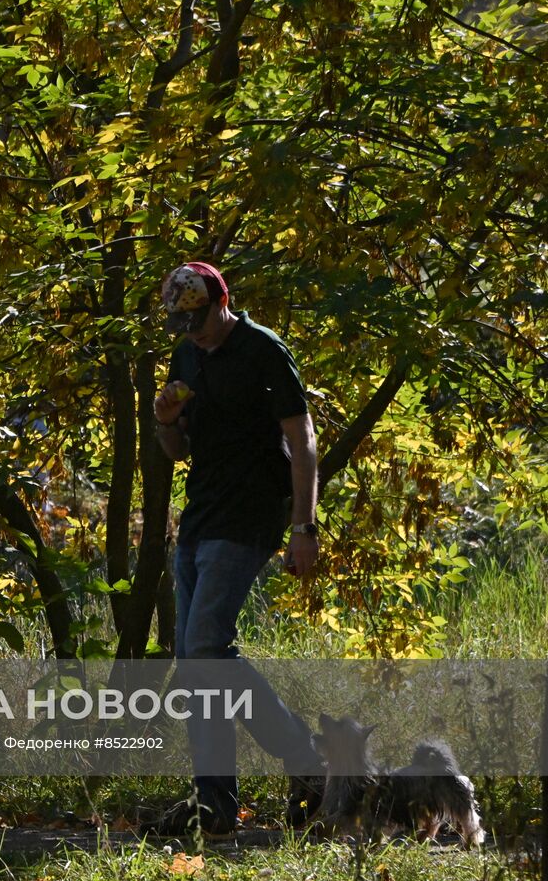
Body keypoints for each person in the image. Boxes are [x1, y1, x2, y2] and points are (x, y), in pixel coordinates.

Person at [147, 262, 325, 836]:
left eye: (199, 319)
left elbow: (302, 440)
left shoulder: (262, 351)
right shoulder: (187, 357)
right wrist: (164, 420)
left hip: (249, 516)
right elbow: (175, 451)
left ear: (223, 301)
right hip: (199, 517)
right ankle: (215, 806)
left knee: (204, 651)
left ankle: (306, 759)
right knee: (200, 665)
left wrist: (304, 527)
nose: (193, 331)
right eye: (183, 322)